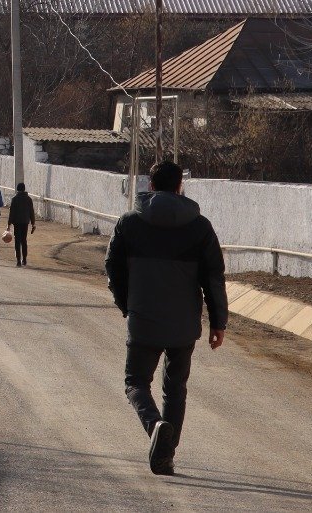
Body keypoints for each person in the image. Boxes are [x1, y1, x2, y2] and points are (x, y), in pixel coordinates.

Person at [104, 160, 228, 477]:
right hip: (184, 324)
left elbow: (112, 268)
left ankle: (155, 425)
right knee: (175, 391)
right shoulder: (200, 227)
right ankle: (165, 457)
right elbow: (214, 276)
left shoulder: (129, 223)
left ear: (151, 185)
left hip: (143, 319)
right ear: (179, 187)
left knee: (135, 384)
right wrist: (218, 322)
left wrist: (126, 305)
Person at [7, 182, 36, 266]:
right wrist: (33, 223)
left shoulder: (15, 199)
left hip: (16, 222)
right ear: (24, 189)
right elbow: (31, 212)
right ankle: (24, 259)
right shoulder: (29, 199)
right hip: (25, 222)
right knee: (24, 240)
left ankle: (18, 260)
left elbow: (11, 213)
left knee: (17, 241)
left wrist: (8, 224)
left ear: (17, 189)